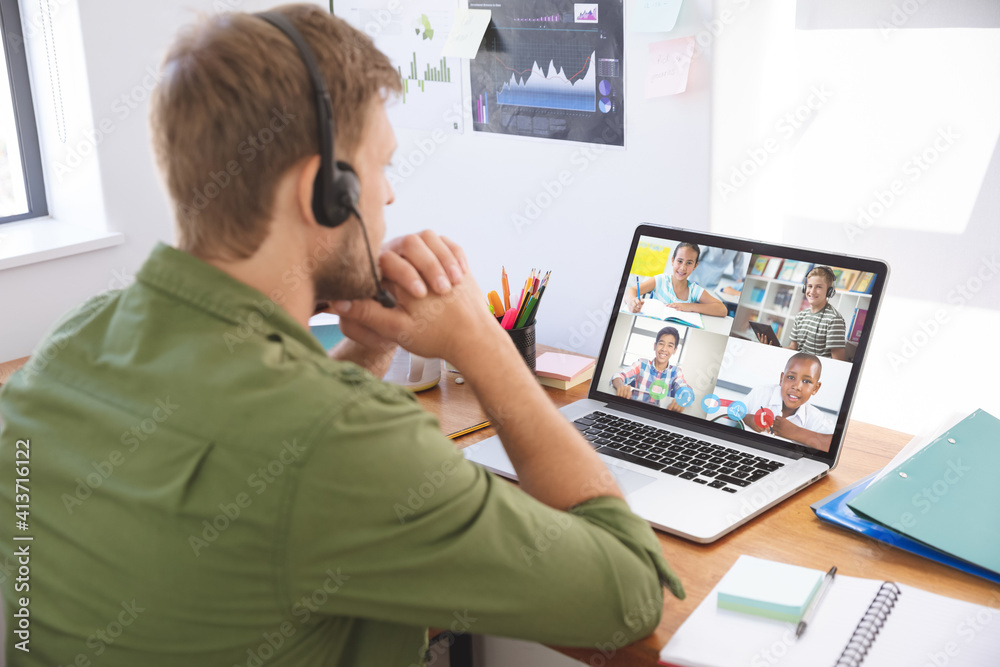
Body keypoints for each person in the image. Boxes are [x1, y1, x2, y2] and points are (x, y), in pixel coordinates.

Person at [0, 6, 683, 665]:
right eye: (382, 166)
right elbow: (628, 591)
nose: (389, 196)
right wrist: (482, 342)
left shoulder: (69, 348)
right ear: (325, 193)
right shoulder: (340, 442)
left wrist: (375, 346)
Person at [740, 353, 834, 452]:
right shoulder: (762, 393)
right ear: (782, 379)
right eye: (791, 377)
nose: (796, 386)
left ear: (815, 388)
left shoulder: (815, 417)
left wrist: (795, 432)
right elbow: (729, 414)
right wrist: (748, 419)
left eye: (806, 381)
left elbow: (834, 444)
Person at [758, 266, 846, 360]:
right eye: (810, 286)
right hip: (798, 365)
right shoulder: (800, 316)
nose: (812, 291)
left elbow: (838, 361)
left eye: (819, 287)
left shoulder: (834, 320)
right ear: (805, 288)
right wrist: (773, 350)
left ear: (829, 291)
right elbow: (793, 348)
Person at [625, 243, 727, 317]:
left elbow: (722, 310)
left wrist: (690, 306)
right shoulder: (661, 280)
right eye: (680, 261)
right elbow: (631, 291)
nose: (683, 268)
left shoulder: (694, 290)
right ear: (673, 260)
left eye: (689, 263)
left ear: (695, 265)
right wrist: (631, 302)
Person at [611, 327, 690, 410]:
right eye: (661, 343)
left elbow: (684, 389)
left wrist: (682, 399)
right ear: (655, 346)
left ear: (674, 350)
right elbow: (618, 376)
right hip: (636, 410)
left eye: (670, 346)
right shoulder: (641, 364)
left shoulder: (676, 372)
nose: (664, 349)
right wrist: (620, 386)